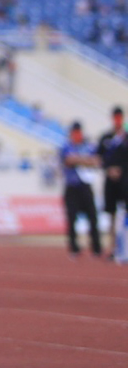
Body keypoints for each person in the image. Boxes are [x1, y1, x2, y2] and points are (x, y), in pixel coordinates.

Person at [59, 121, 103, 258]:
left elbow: (97, 161)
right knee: (71, 218)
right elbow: (68, 160)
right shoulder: (66, 146)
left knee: (93, 217)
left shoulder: (88, 146)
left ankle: (96, 247)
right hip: (72, 187)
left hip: (85, 187)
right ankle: (74, 248)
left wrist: (79, 160)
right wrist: (85, 160)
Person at [98, 105, 127, 260]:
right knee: (112, 214)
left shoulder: (126, 138)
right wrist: (109, 169)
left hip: (125, 181)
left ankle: (125, 247)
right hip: (110, 182)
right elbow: (98, 158)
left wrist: (121, 170)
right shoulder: (105, 138)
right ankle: (114, 247)